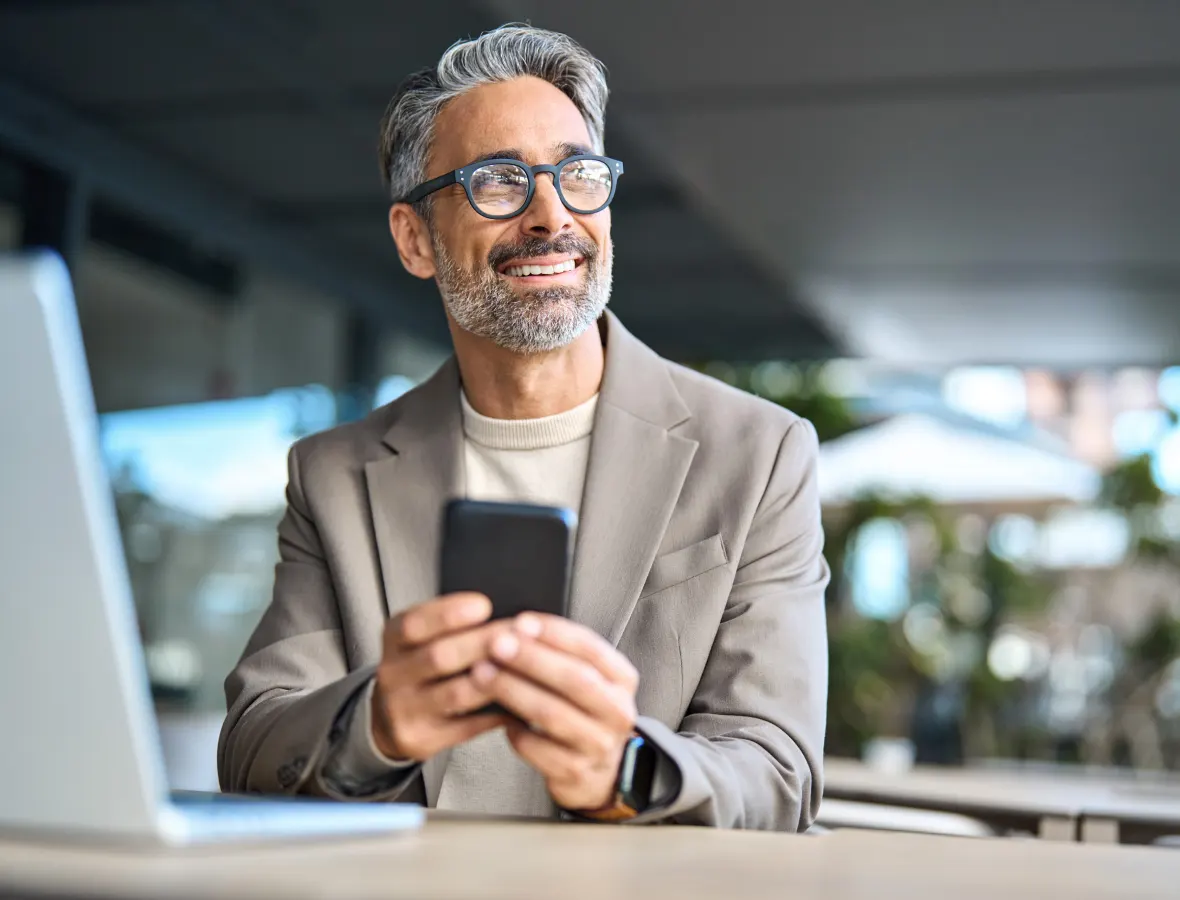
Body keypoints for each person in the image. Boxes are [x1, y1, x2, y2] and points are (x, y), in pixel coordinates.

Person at [217, 23, 829, 830]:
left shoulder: (759, 455)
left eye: (577, 175)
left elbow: (779, 769)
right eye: (500, 182)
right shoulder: (332, 476)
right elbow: (255, 742)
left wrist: (627, 769)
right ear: (415, 239)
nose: (551, 217)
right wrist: (377, 724)